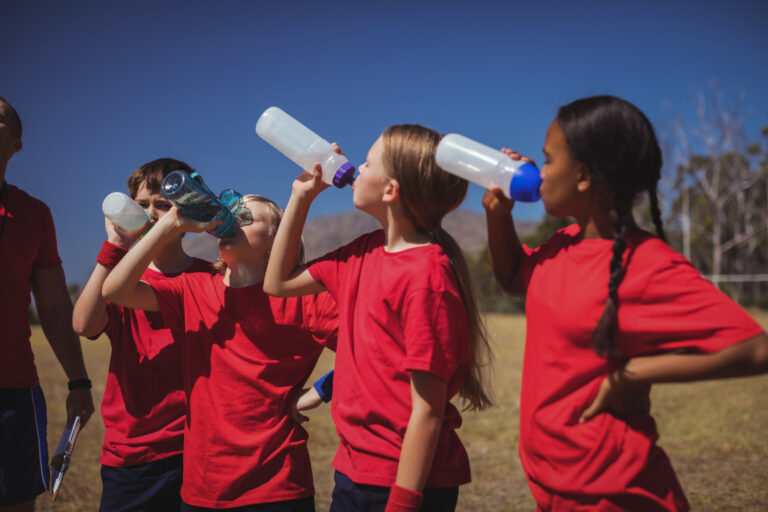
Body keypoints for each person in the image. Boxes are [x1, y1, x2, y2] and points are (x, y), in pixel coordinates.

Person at [482, 95, 768, 511]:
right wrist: (498, 215)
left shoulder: (646, 264)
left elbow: (757, 349)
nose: (537, 172)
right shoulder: (561, 245)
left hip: (616, 494)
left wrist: (633, 375)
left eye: (547, 160)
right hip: (555, 489)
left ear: (582, 175)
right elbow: (511, 279)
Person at [264, 124, 494, 512]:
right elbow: (277, 283)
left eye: (368, 163)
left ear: (390, 191)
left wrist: (404, 503)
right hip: (355, 468)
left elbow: (427, 410)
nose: (355, 166)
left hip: (404, 482)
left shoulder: (426, 275)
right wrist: (301, 197)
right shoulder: (361, 252)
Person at [102, 193, 338, 511]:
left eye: (246, 218)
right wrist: (170, 223)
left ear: (279, 241)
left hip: (277, 488)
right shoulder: (194, 289)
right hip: (202, 490)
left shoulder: (303, 298)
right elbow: (116, 290)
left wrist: (318, 393)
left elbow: (370, 347)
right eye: (231, 214)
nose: (231, 222)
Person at [72, 159, 216, 511]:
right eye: (141, 205)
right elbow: (84, 325)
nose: (152, 214)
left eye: (163, 205)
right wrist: (114, 247)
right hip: (134, 450)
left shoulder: (210, 276)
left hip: (199, 445)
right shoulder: (120, 279)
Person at [0, 96, 95, 511]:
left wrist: (78, 382)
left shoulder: (34, 215)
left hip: (13, 393)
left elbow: (55, 308)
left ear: (16, 143)